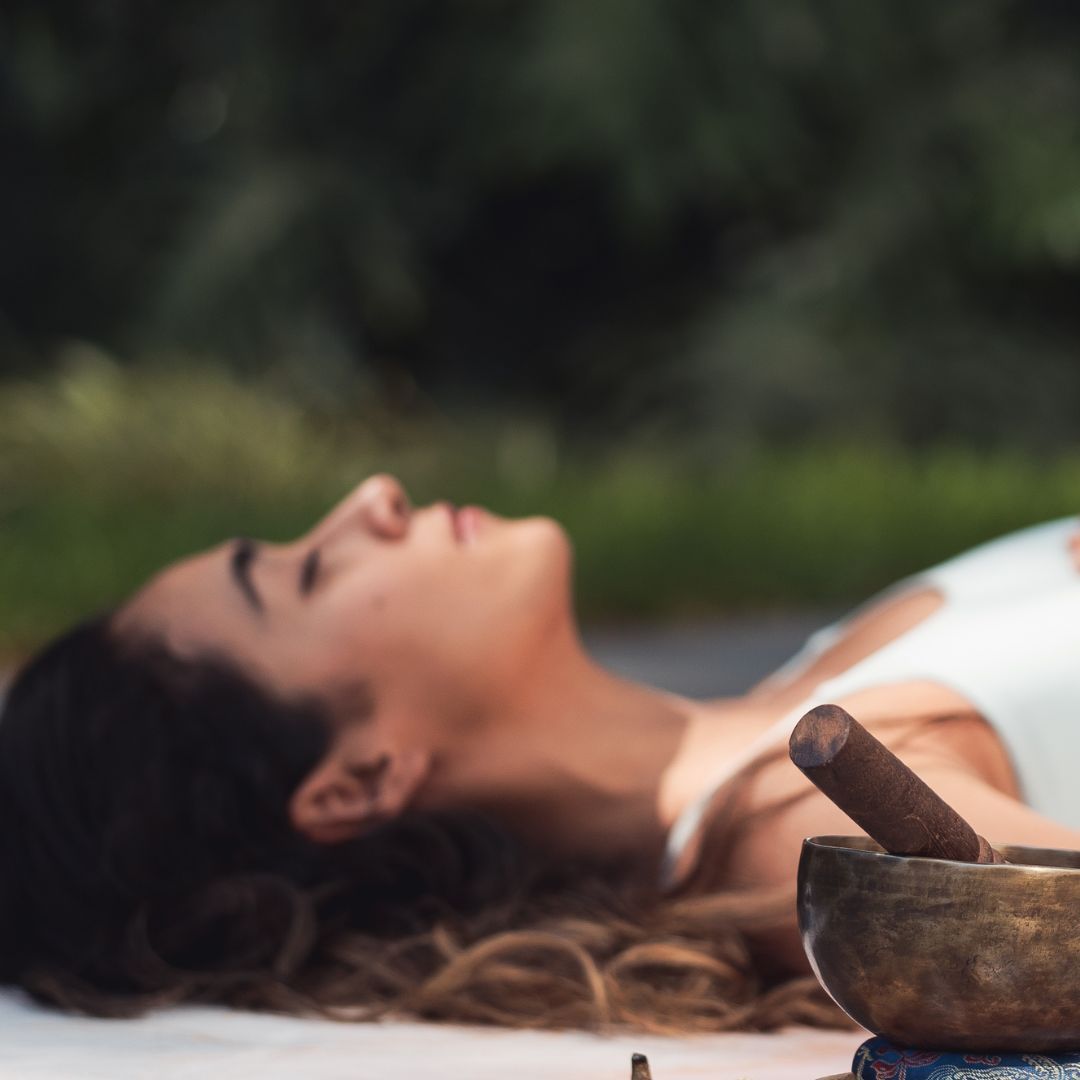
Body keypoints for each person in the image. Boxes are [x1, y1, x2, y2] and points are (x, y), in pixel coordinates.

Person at [2, 473, 1079, 1032]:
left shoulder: (794, 706)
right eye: (305, 574)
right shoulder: (815, 831)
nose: (371, 500)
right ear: (360, 780)